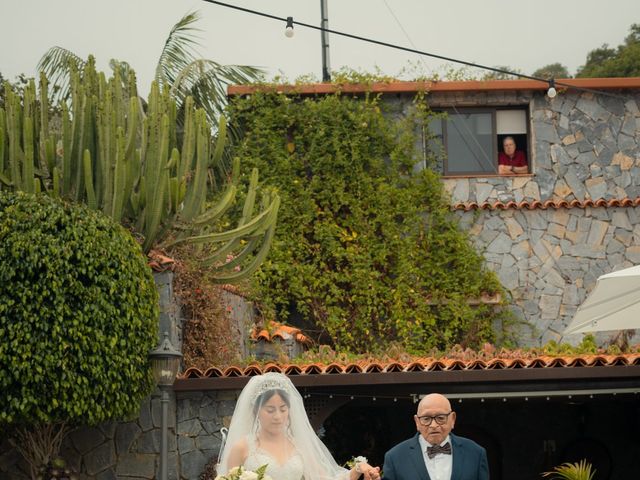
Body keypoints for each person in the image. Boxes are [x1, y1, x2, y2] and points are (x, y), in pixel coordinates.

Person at [217, 372, 381, 480]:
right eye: (270, 410)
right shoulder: (242, 447)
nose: (278, 416)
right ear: (256, 411)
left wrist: (358, 468)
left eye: (283, 409)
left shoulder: (299, 446)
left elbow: (325, 478)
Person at [382, 393, 489, 480]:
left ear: (452, 419)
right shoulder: (395, 457)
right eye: (426, 418)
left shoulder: (475, 453)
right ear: (417, 422)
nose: (433, 425)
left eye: (440, 417)